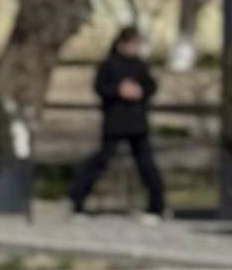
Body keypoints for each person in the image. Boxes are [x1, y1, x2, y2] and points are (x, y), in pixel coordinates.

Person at [70, 25, 166, 221]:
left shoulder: (140, 65)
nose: (134, 48)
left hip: (137, 123)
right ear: (122, 44)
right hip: (115, 122)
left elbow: (151, 86)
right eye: (131, 44)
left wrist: (140, 91)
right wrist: (118, 90)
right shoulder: (109, 64)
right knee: (100, 161)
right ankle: (77, 201)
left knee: (147, 165)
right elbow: (100, 87)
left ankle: (157, 207)